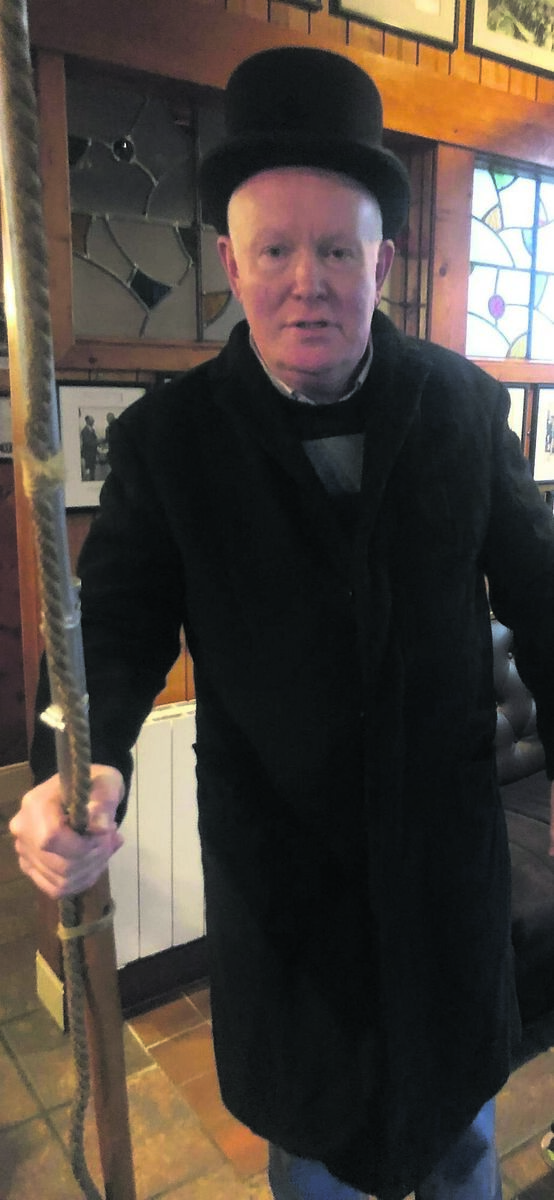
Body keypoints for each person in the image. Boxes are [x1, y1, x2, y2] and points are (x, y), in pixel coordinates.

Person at [10, 46, 554, 1200]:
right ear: (229, 263)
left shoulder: (460, 409)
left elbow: (543, 596)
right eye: (275, 250)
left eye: (337, 250)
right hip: (285, 889)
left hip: (441, 870)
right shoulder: (174, 445)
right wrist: (87, 762)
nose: (306, 279)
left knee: (459, 1147)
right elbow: (111, 624)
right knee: (314, 1161)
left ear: (383, 262)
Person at [80, 412, 98, 481]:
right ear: (87, 421)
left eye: (93, 420)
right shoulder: (84, 431)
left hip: (92, 454)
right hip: (87, 455)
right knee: (87, 472)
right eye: (92, 420)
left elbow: (94, 439)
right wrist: (97, 442)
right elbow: (87, 443)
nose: (93, 421)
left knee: (92, 471)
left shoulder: (92, 430)